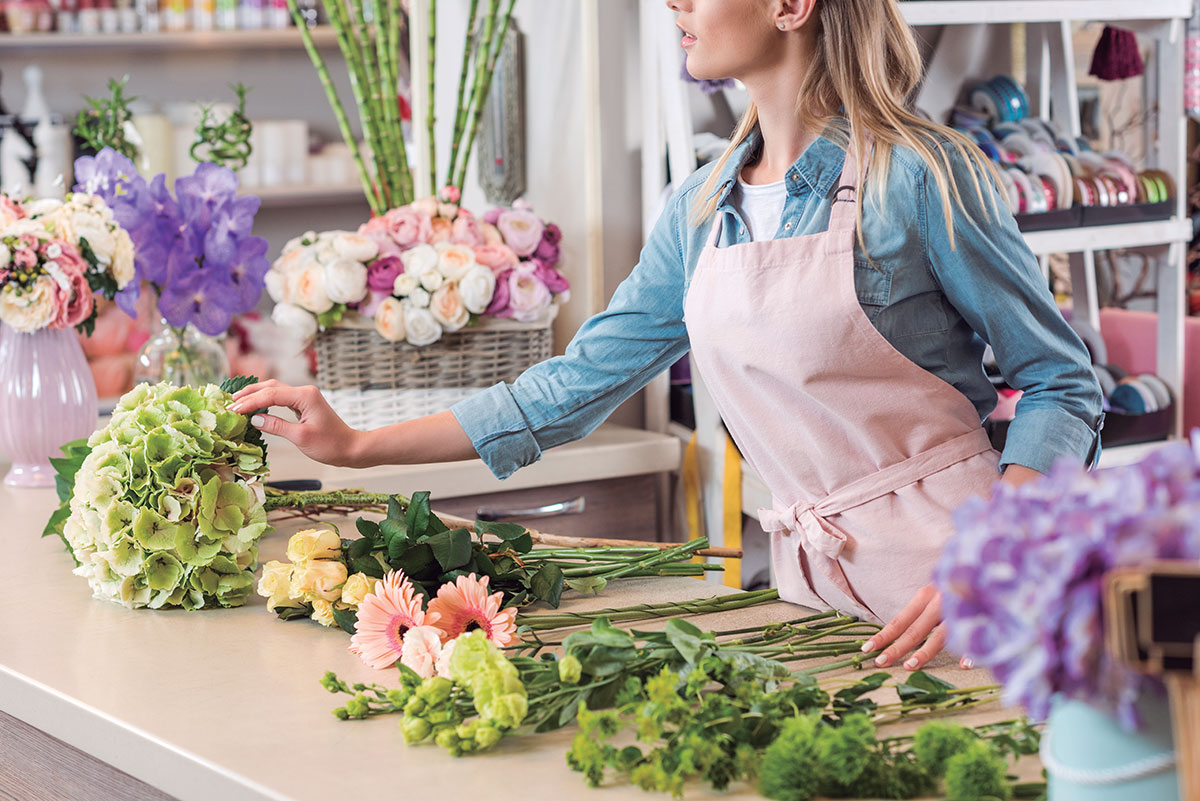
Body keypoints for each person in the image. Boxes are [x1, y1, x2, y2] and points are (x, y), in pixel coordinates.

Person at [230, 0, 1103, 672]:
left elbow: (1063, 383)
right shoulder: (699, 208)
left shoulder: (920, 175)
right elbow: (566, 390)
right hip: (811, 592)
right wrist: (356, 445)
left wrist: (992, 552)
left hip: (965, 584)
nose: (673, 4)